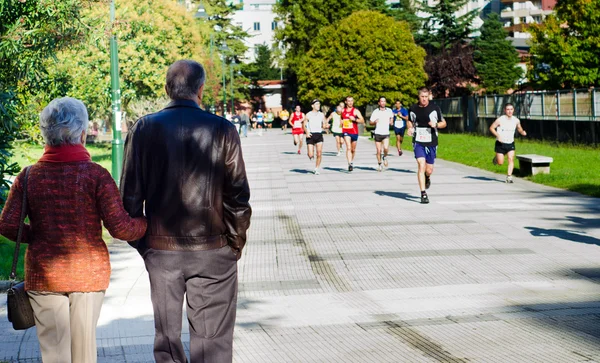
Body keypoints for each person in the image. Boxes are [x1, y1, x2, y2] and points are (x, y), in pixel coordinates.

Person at [121, 60, 252, 363]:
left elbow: (129, 198)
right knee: (213, 342)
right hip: (213, 248)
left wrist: (145, 244)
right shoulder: (223, 129)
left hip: (162, 250)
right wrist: (234, 243)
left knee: (166, 338)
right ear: (201, 90)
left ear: (167, 89)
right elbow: (238, 197)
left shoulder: (143, 128)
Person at [0, 97, 147, 363]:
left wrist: (41, 235)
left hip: (45, 277)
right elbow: (121, 228)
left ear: (46, 133)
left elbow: (8, 224)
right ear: (82, 132)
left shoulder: (29, 176)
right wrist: (147, 223)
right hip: (88, 276)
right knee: (84, 353)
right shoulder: (96, 175)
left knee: (55, 354)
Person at [407, 88, 447, 204]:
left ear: (428, 96)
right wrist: (409, 128)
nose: (424, 99)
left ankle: (427, 177)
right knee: (421, 165)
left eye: (426, 97)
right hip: (418, 140)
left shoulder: (435, 108)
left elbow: (444, 123)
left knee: (429, 170)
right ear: (418, 97)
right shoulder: (413, 108)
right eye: (422, 97)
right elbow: (409, 120)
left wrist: (436, 124)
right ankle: (423, 193)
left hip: (431, 141)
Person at [489, 103, 527, 183]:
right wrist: (498, 136)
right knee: (500, 163)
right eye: (508, 109)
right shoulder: (500, 119)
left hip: (510, 143)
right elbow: (491, 128)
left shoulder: (516, 120)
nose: (509, 111)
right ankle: (496, 158)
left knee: (511, 159)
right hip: (500, 144)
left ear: (513, 110)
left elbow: (519, 128)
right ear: (505, 110)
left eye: (511, 109)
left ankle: (509, 177)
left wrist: (522, 132)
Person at [369, 97, 394, 172]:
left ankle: (385, 157)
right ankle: (379, 164)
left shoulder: (389, 110)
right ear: (379, 103)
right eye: (381, 101)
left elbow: (391, 117)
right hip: (377, 133)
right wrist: (374, 122)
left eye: (384, 101)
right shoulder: (376, 112)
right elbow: (370, 122)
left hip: (386, 133)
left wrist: (391, 121)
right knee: (378, 150)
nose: (383, 103)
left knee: (386, 148)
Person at [304, 99, 328, 175]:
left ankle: (316, 168)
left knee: (319, 153)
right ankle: (311, 155)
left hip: (319, 134)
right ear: (312, 105)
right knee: (310, 154)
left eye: (319, 104)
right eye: (317, 104)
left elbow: (324, 124)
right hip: (310, 135)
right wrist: (307, 132)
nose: (318, 105)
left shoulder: (321, 114)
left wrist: (326, 126)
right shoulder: (308, 114)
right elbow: (304, 125)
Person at [341, 96, 365, 172]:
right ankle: (349, 164)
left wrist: (354, 119)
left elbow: (362, 120)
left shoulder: (355, 111)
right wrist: (341, 122)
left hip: (354, 132)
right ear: (346, 102)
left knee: (353, 149)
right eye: (349, 101)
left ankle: (351, 161)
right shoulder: (343, 111)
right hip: (346, 131)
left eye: (352, 101)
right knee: (348, 147)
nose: (350, 102)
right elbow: (341, 119)